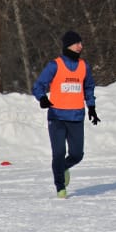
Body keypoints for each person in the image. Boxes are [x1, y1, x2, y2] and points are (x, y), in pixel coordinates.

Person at [32, 30, 100, 198]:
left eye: (81, 43)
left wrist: (91, 106)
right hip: (57, 118)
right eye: (77, 43)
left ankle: (62, 168)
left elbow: (89, 87)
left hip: (76, 117)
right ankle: (60, 187)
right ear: (68, 45)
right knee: (59, 153)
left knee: (77, 154)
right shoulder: (54, 65)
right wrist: (42, 98)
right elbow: (38, 85)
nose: (80, 46)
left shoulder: (84, 66)